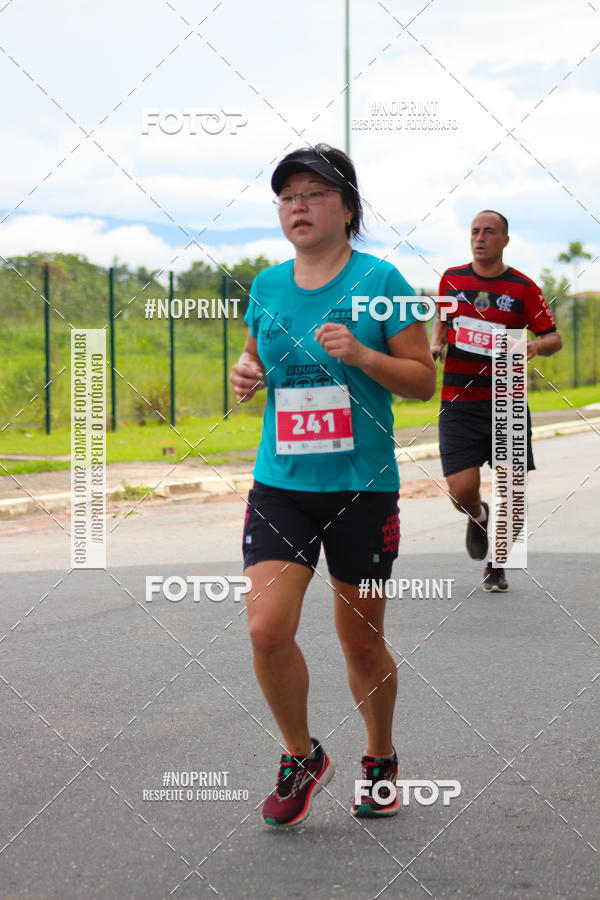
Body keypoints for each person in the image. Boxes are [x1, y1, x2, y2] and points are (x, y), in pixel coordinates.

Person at [230, 144, 436, 827]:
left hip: (363, 489)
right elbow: (257, 357)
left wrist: (364, 354)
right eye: (288, 196)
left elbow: (421, 380)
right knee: (266, 629)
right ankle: (300, 755)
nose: (299, 206)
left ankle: (379, 756)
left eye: (315, 193)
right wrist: (245, 375)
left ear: (348, 207)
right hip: (282, 483)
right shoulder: (265, 286)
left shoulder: (382, 280)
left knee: (360, 643)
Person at [431, 210, 562, 591]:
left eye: (490, 232)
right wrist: (436, 342)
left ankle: (497, 563)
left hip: (507, 400)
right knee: (460, 488)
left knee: (512, 490)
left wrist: (536, 344)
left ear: (505, 240)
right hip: (458, 399)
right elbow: (442, 315)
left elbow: (553, 337)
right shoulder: (452, 279)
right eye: (475, 231)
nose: (480, 237)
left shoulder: (523, 288)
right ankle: (476, 515)